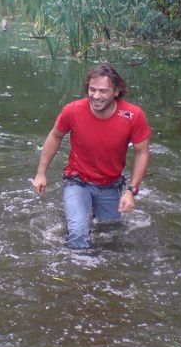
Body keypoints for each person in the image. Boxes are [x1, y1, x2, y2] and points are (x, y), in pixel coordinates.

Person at [32, 63, 151, 249]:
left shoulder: (133, 116)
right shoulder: (73, 110)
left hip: (110, 184)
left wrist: (131, 191)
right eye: (92, 89)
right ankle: (78, 274)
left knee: (110, 235)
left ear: (117, 91)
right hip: (77, 180)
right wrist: (41, 173)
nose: (96, 96)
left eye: (103, 91)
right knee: (79, 235)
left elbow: (142, 152)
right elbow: (55, 136)